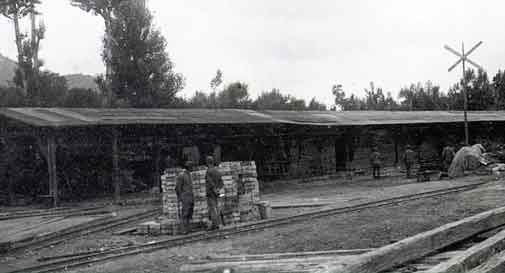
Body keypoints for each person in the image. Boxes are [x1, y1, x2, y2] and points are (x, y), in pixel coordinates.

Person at [175, 161, 195, 234]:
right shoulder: (182, 175)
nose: (192, 168)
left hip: (190, 197)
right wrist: (180, 197)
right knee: (185, 214)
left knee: (190, 213)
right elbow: (177, 188)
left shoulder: (189, 174)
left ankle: (188, 228)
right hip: (185, 197)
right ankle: (183, 230)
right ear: (189, 167)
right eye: (191, 167)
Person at [205, 156, 224, 230]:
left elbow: (210, 182)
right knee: (217, 208)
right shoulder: (217, 171)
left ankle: (217, 225)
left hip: (210, 193)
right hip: (217, 193)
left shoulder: (208, 171)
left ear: (207, 162)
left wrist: (214, 189)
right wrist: (219, 190)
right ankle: (215, 224)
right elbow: (221, 182)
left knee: (213, 209)